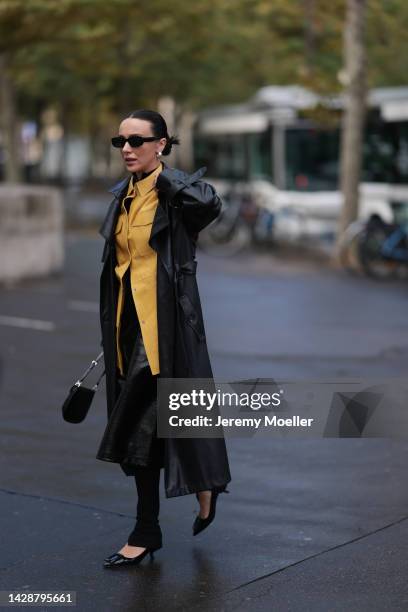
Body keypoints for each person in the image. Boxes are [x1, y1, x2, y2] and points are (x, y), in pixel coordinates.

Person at [96, 109, 232, 568]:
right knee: (149, 429)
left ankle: (145, 530)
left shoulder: (176, 194)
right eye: (121, 142)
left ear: (162, 144)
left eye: (138, 140)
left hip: (169, 329)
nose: (128, 149)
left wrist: (167, 176)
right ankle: (201, 486)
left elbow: (210, 205)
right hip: (127, 327)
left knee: (140, 427)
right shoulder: (123, 196)